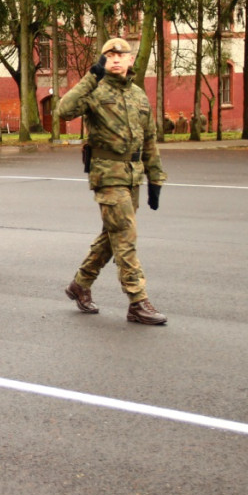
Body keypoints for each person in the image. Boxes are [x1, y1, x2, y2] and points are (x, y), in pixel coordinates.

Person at [56, 37, 168, 325]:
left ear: (131, 60)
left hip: (132, 176)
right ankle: (137, 301)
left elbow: (150, 140)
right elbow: (63, 110)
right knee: (125, 235)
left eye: (122, 54)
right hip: (107, 175)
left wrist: (155, 178)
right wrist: (90, 76)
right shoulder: (94, 89)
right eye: (110, 55)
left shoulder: (138, 95)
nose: (116, 59)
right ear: (104, 59)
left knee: (112, 235)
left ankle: (80, 284)